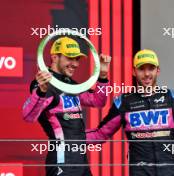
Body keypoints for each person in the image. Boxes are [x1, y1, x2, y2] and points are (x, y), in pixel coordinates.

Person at [22, 36, 111, 176]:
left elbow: (97, 101)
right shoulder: (43, 83)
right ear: (55, 57)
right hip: (61, 159)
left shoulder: (70, 84)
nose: (75, 64)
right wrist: (41, 91)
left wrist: (103, 77)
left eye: (77, 59)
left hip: (81, 160)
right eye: (70, 58)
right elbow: (28, 116)